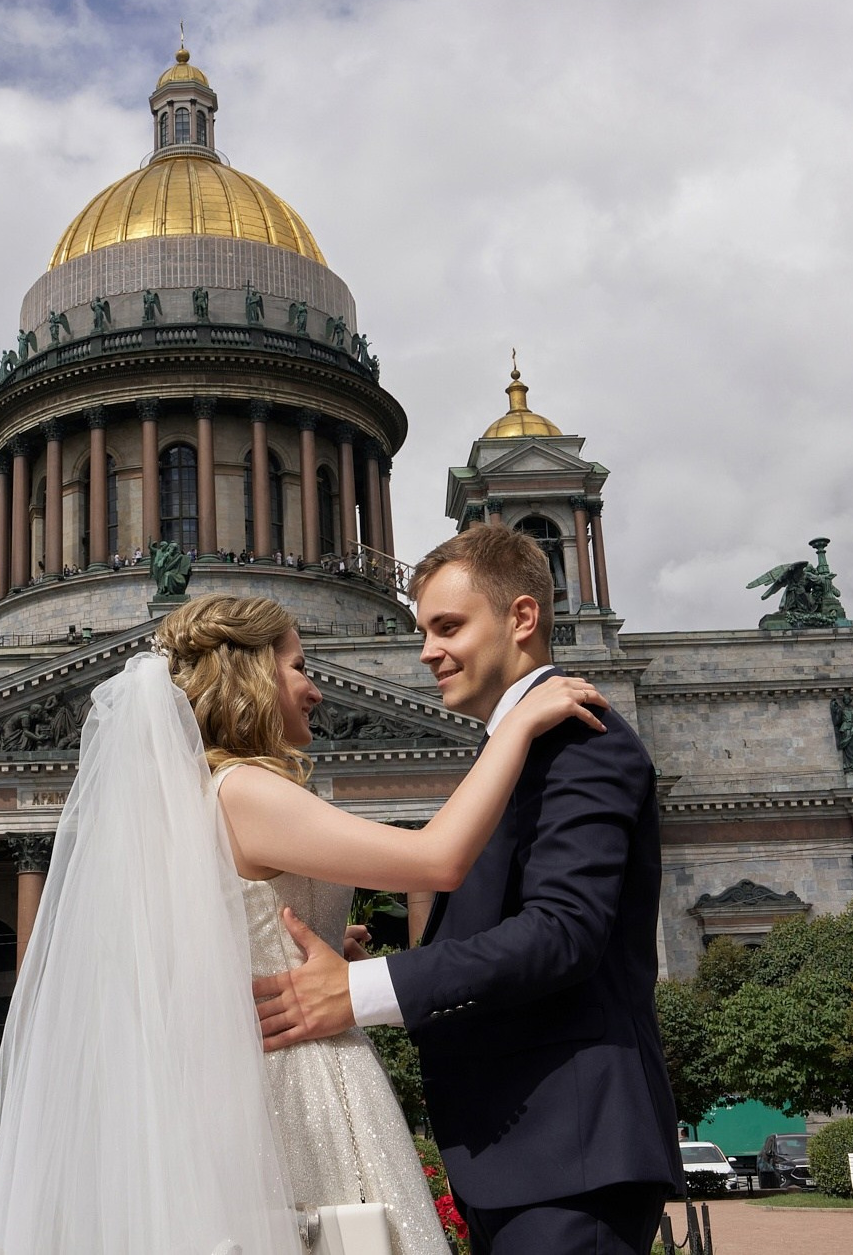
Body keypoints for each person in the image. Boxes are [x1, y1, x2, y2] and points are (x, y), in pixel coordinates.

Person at [0, 592, 607, 1254]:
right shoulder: (246, 790)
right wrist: (515, 728)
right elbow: (435, 859)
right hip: (303, 1081)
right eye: (300, 666)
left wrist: (323, 940)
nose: (315, 690)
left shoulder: (194, 799)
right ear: (255, 674)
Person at [253, 524, 684, 1254]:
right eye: (424, 628)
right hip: (525, 1155)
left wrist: (357, 993)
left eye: (447, 625)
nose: (425, 650)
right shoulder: (517, 743)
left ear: (523, 617)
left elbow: (562, 933)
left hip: (568, 1152)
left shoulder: (579, 738)